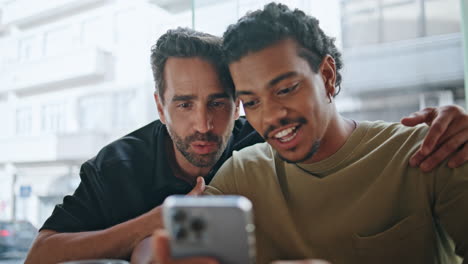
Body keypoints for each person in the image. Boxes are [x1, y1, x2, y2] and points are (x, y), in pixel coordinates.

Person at [26, 27, 466, 264]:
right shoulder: (119, 165)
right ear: (160, 107)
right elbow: (42, 254)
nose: (204, 123)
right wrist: (154, 226)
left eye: (222, 102)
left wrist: (448, 124)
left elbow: (348, 144)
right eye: (184, 104)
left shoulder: (263, 138)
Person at [151, 3, 468, 264]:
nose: (272, 115)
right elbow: (164, 247)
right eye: (252, 102)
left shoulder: (428, 150)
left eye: (287, 89)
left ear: (327, 76)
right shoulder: (242, 174)